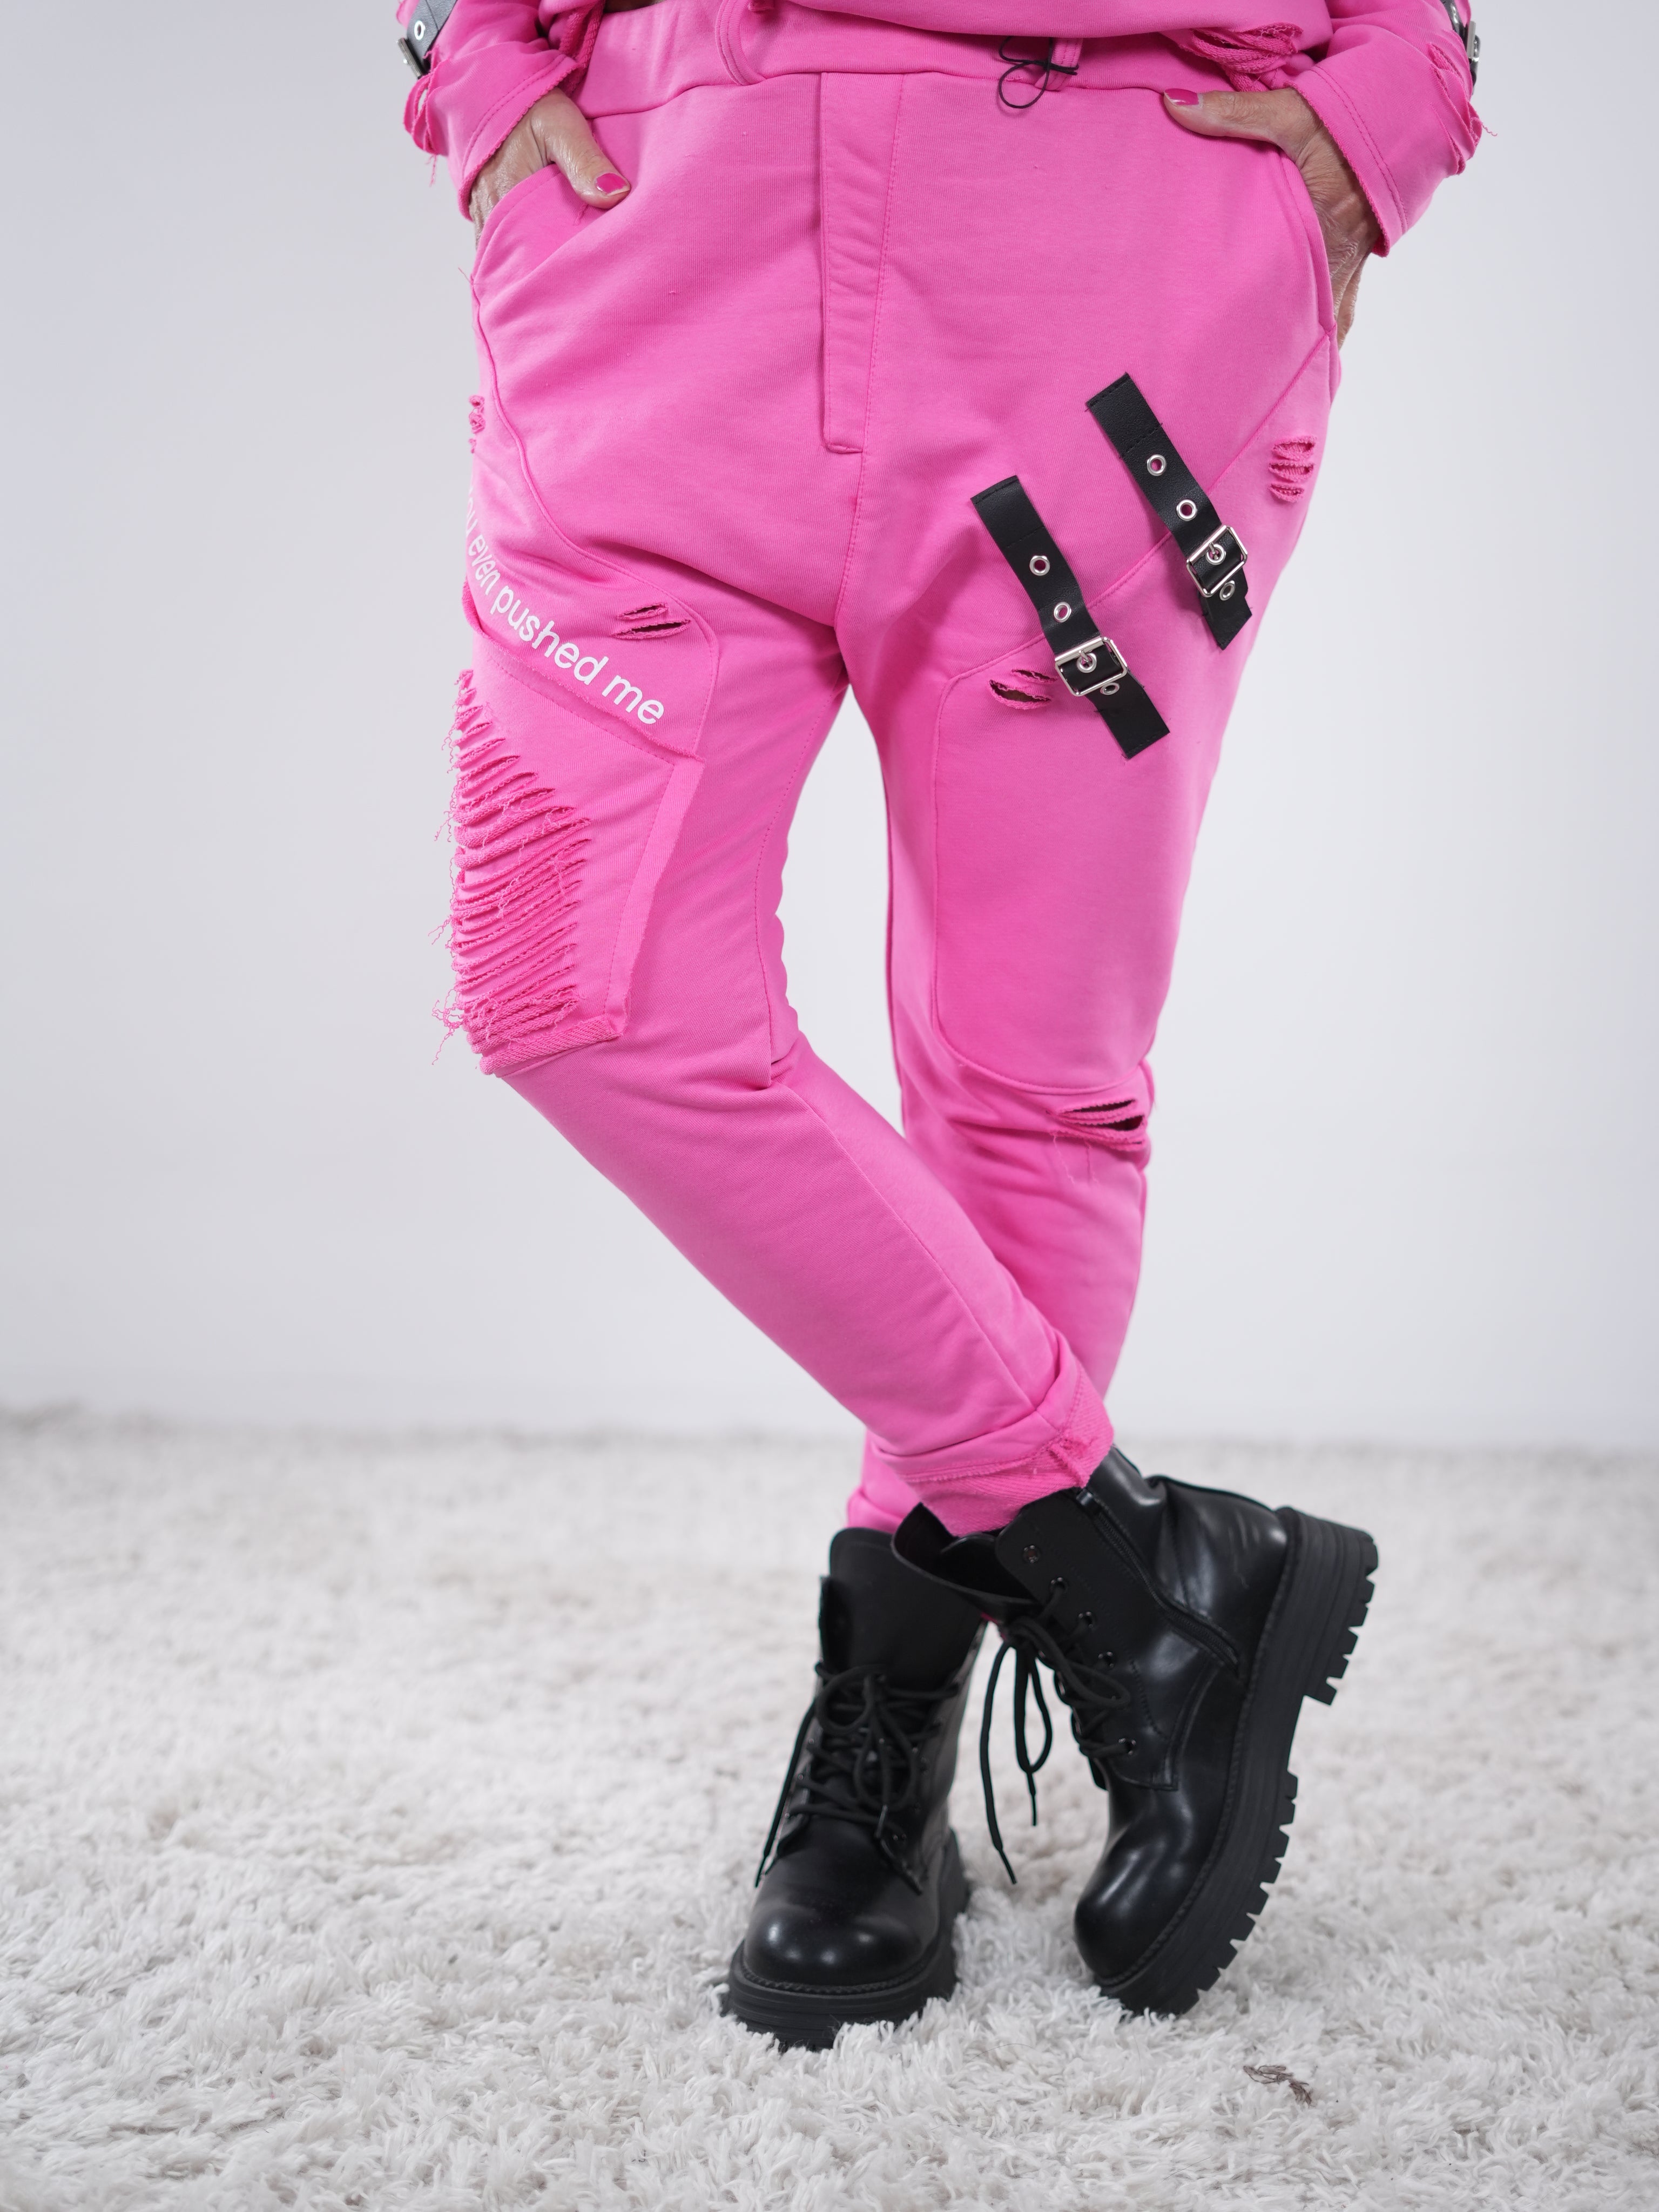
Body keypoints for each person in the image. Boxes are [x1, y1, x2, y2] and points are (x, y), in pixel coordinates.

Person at [398, 0, 1479, 2047]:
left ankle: (886, 1744)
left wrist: (1396, 99)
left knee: (1026, 1081)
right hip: (655, 220)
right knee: (570, 984)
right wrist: (470, 56)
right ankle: (1137, 1574)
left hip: (1124, 245)